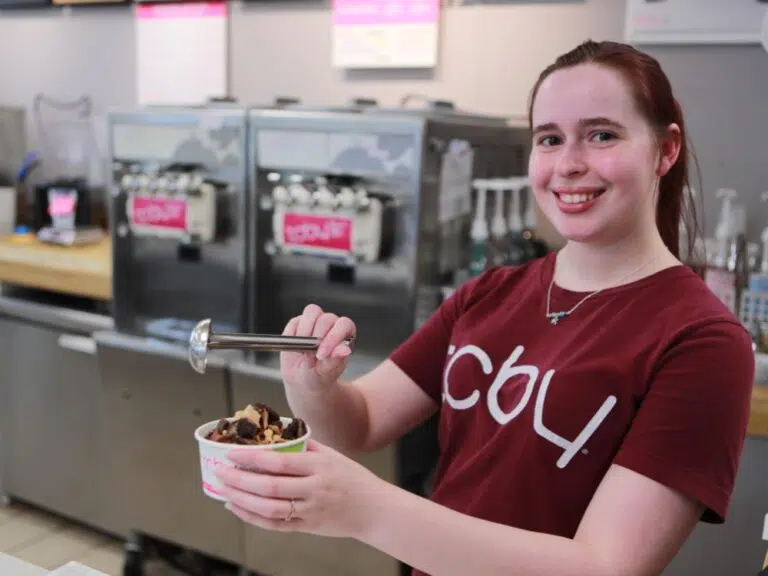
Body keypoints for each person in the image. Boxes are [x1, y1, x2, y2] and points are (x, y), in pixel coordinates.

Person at [216, 39, 755, 576]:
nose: (568, 164)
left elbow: (604, 567)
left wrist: (365, 507)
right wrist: (313, 391)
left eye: (601, 135)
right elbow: (360, 423)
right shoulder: (491, 293)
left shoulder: (702, 341)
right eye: (549, 139)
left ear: (666, 149)